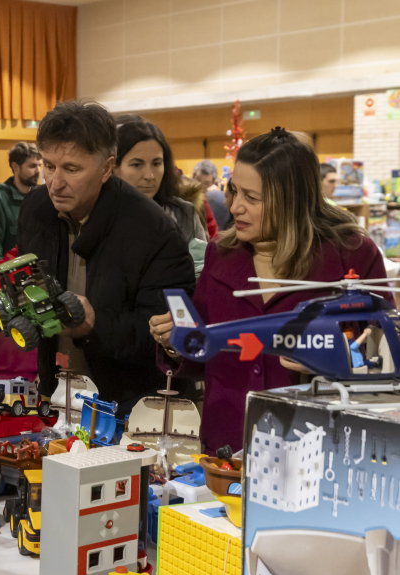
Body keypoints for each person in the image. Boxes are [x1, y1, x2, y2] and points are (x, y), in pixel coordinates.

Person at [150, 128, 387, 452]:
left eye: (252, 197)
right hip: (229, 445)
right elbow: (204, 351)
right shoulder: (221, 253)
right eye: (235, 192)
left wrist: (334, 361)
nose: (234, 208)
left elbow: (380, 356)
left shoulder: (354, 254)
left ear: (292, 199)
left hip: (321, 448)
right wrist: (174, 344)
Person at [16, 100, 195, 415]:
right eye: (48, 165)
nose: (55, 183)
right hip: (56, 397)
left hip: (128, 408)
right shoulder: (36, 208)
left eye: (72, 169)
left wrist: (94, 325)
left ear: (107, 168)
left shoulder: (155, 231)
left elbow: (165, 335)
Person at [112, 118, 207, 273]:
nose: (149, 175)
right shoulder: (97, 214)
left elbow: (201, 275)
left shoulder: (183, 214)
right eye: (137, 165)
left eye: (156, 164)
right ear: (114, 168)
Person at [0, 142, 41, 262]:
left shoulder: (40, 198)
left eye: (40, 165)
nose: (38, 171)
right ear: (15, 167)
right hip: (10, 275)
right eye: (32, 166)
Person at [192, 159, 231, 229]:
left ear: (214, 182)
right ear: (192, 178)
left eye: (206, 184)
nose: (201, 188)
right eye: (198, 182)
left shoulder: (216, 197)